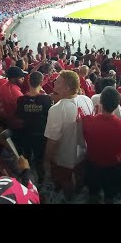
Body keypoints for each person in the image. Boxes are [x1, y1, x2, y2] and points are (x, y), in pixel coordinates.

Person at [44, 70, 94, 201]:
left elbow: (52, 141)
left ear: (66, 88)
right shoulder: (87, 99)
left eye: (58, 81)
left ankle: (69, 198)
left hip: (65, 155)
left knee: (65, 180)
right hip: (83, 149)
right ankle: (78, 191)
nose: (55, 82)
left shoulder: (57, 109)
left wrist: (48, 159)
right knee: (80, 175)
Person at [82, 87, 121, 203]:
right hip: (113, 166)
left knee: (93, 192)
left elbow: (85, 135)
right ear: (117, 106)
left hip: (93, 164)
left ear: (100, 102)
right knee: (110, 195)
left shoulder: (88, 121)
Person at [16, 71, 52, 183]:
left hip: (26, 132)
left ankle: (26, 180)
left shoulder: (21, 100)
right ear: (41, 82)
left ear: (28, 81)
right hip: (41, 134)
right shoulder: (47, 99)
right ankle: (41, 179)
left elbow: (20, 118)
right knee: (39, 158)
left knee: (26, 156)